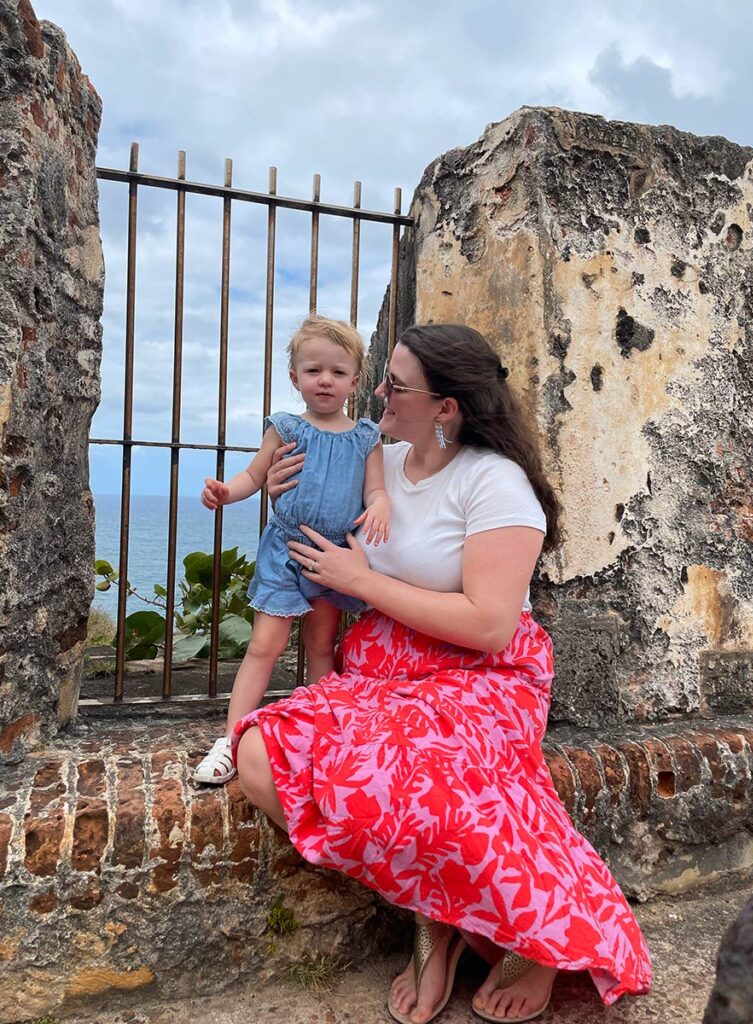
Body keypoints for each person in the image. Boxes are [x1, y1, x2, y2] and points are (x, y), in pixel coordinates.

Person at [231, 324, 653, 1023]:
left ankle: (509, 935)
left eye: (395, 385)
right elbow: (305, 529)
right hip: (382, 667)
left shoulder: (495, 483)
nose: (376, 393)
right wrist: (278, 488)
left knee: (432, 784)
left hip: (481, 673)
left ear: (446, 407)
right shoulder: (379, 461)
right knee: (259, 758)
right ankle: (434, 907)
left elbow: (490, 623)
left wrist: (361, 582)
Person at [193, 315, 391, 785]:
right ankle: (232, 740)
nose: (325, 380)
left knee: (321, 643)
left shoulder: (367, 438)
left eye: (338, 372)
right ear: (294, 377)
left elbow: (376, 490)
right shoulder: (284, 428)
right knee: (265, 645)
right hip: (285, 549)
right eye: (314, 370)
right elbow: (254, 475)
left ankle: (326, 733)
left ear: (355, 381)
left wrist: (381, 504)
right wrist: (226, 493)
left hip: (334, 555)